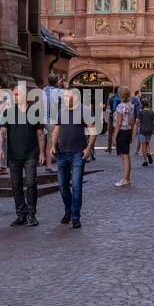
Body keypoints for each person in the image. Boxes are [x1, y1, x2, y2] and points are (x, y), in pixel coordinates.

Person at [0, 83, 45, 226]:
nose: (14, 97)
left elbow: (40, 133)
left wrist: (42, 152)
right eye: (13, 94)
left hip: (30, 154)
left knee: (31, 184)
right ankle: (21, 214)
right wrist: (0, 148)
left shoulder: (34, 111)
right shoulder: (9, 112)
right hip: (13, 154)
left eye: (17, 94)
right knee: (16, 186)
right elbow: (2, 132)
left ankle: (31, 214)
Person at [49, 88, 97, 229]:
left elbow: (93, 131)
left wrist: (88, 149)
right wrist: (52, 146)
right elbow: (56, 130)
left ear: (75, 97)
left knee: (76, 186)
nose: (63, 98)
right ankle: (68, 211)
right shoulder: (61, 111)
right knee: (63, 186)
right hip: (62, 153)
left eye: (66, 96)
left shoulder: (85, 110)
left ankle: (75, 216)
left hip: (77, 153)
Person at [113, 86, 138, 188]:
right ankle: (127, 178)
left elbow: (118, 123)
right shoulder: (131, 106)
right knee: (126, 155)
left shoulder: (120, 106)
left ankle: (125, 179)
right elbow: (132, 122)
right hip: (128, 131)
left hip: (122, 132)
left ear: (120, 94)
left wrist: (114, 136)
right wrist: (132, 133)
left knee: (125, 156)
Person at [138, 98, 154, 166]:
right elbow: (153, 121)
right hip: (150, 130)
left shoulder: (141, 112)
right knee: (147, 143)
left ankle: (145, 161)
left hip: (143, 130)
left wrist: (138, 127)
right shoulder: (151, 112)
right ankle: (149, 154)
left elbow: (138, 121)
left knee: (143, 145)